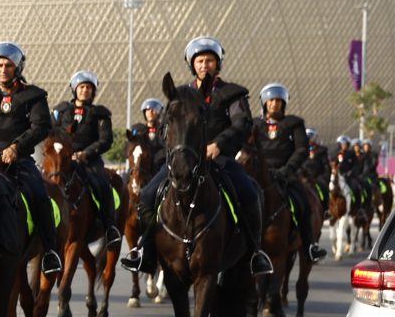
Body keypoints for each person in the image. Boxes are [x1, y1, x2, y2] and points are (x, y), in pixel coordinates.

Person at [121, 37, 273, 275]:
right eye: (200, 61)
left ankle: (255, 253)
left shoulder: (232, 94)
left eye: (209, 60)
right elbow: (165, 128)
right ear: (192, 65)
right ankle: (147, 252)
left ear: (218, 63)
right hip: (184, 161)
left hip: (219, 160)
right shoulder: (182, 94)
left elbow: (241, 123)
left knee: (250, 194)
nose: (205, 65)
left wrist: (218, 145)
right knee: (148, 196)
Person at [0, 42, 62, 276]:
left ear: (17, 67)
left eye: (8, 65)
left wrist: (16, 147)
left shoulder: (33, 95)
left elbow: (41, 126)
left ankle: (49, 251)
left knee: (40, 195)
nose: (3, 69)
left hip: (18, 161)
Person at [255, 83, 325, 262]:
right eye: (271, 101)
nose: (274, 104)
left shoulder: (294, 123)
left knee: (304, 203)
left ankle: (310, 246)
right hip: (259, 175)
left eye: (278, 101)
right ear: (264, 103)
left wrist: (287, 170)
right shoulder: (255, 124)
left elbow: (301, 149)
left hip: (286, 175)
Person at [51, 72, 121, 243]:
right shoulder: (61, 110)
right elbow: (52, 133)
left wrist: (85, 153)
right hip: (64, 158)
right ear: (75, 89)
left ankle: (109, 225)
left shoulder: (100, 114)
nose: (85, 90)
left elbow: (106, 139)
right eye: (82, 87)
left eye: (89, 88)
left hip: (90, 161)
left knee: (103, 184)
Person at [126, 97, 167, 174]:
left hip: (159, 167)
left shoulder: (165, 130)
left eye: (153, 109)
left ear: (159, 112)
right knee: (123, 180)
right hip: (140, 166)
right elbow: (128, 148)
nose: (150, 112)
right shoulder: (138, 130)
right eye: (147, 110)